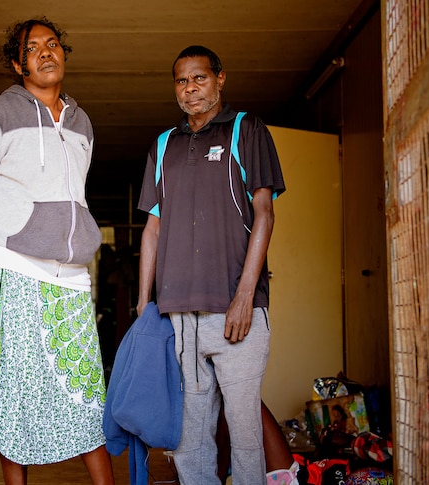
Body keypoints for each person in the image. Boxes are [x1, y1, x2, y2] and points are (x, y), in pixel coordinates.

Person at [0, 17, 113, 485]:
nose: (46, 52)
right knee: (13, 396)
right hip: (12, 269)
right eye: (33, 47)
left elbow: (74, 198)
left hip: (70, 277)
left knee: (86, 394)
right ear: (16, 62)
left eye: (53, 44)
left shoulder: (82, 123)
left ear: (63, 53)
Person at [135, 45, 286, 485]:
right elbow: (152, 231)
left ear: (220, 79)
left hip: (236, 312)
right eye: (182, 81)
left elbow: (265, 213)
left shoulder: (245, 129)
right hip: (179, 316)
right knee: (189, 438)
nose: (190, 89)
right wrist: (146, 305)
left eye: (199, 78)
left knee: (244, 435)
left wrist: (244, 296)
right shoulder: (165, 145)